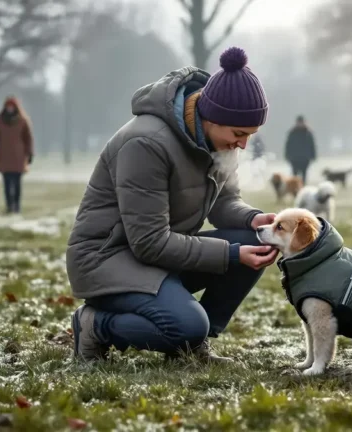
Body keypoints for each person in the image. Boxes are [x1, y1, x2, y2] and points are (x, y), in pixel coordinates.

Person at [66, 46, 279, 363]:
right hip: (108, 259)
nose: (243, 144)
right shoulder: (146, 143)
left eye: (251, 135)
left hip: (156, 255)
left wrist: (253, 219)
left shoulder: (218, 141)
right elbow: (149, 242)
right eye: (239, 133)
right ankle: (95, 325)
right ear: (213, 117)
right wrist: (231, 254)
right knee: (188, 324)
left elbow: (224, 204)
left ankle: (191, 348)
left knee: (254, 240)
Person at [0, 96, 33, 214]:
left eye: (12, 106)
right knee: (6, 184)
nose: (10, 108)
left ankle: (16, 205)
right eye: (8, 106)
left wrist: (30, 153)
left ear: (16, 107)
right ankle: (9, 205)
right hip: (4, 156)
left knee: (16, 184)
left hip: (18, 157)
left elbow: (28, 138)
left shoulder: (22, 120)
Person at [284, 115, 316, 184]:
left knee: (304, 175)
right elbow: (288, 145)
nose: (301, 123)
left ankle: (303, 189)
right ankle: (294, 190)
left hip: (305, 159)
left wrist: (313, 156)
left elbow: (312, 145)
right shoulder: (292, 133)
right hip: (294, 159)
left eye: (302, 122)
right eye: (299, 122)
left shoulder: (308, 133)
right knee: (294, 176)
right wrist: (287, 155)